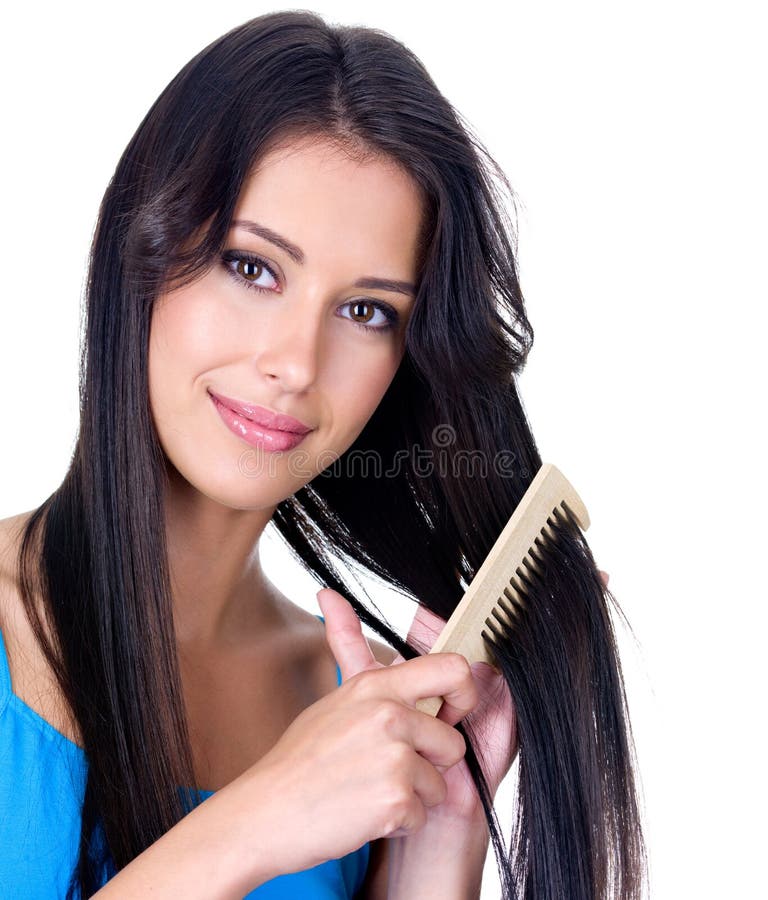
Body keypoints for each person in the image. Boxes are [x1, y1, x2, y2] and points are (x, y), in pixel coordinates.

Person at [0, 10, 645, 900]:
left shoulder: (352, 718)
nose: (296, 365)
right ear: (138, 246)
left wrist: (436, 837)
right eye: (253, 267)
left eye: (366, 311)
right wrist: (260, 817)